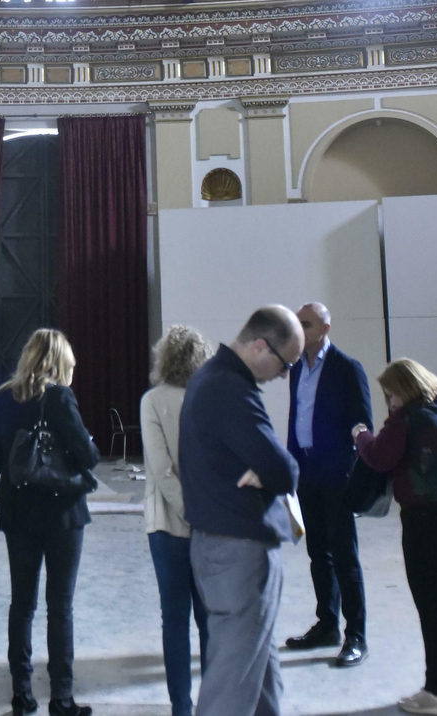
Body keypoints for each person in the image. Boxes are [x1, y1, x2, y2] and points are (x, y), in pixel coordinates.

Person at [179, 305, 304, 716]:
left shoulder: (210, 378)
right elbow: (282, 469)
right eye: (285, 364)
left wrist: (268, 468)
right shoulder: (229, 388)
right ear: (259, 346)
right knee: (231, 687)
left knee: (261, 671)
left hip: (225, 545)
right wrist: (274, 468)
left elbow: (268, 466)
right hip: (238, 552)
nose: (284, 375)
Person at [352, 358, 437, 716]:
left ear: (403, 390)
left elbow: (379, 457)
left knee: (434, 608)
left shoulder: (405, 417)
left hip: (430, 520)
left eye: (390, 393)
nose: (389, 401)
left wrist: (360, 435)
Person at [0, 329, 101, 716]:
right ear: (59, 362)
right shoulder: (60, 397)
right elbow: (88, 457)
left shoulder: (5, 397)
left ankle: (21, 696)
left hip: (18, 513)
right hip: (61, 514)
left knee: (21, 605)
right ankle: (62, 699)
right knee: (60, 607)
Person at [284, 301, 373, 668]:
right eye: (297, 323)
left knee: (344, 555)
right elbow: (296, 419)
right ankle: (327, 624)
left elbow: (363, 425)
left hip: (336, 476)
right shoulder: (295, 370)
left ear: (325, 328)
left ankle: (357, 635)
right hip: (305, 473)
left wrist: (349, 472)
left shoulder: (347, 369)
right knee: (317, 553)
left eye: (306, 324)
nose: (299, 329)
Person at [141, 325, 213, 716]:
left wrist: (187, 514)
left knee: (175, 621)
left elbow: (161, 470)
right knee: (209, 621)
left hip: (167, 526)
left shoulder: (153, 401)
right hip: (209, 526)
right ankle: (215, 705)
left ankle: (181, 710)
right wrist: (202, 516)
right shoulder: (210, 398)